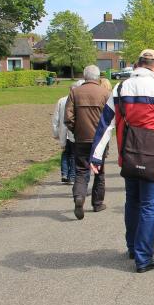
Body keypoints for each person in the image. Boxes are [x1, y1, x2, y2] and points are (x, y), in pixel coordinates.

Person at [89, 49, 154, 273]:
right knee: (149, 206)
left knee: (131, 201)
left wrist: (96, 155)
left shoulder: (120, 88)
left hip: (129, 154)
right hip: (153, 156)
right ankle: (144, 257)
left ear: (138, 64)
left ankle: (133, 247)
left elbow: (105, 124)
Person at [64, 65, 110, 219]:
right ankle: (97, 203)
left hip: (81, 138)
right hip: (100, 140)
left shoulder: (74, 93)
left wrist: (76, 131)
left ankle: (79, 196)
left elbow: (68, 118)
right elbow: (111, 118)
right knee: (99, 171)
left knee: (81, 170)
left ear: (84, 76)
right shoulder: (105, 93)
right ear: (97, 77)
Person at [52, 89, 76, 184]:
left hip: (64, 132)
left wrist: (55, 133)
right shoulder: (77, 101)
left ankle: (64, 174)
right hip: (72, 132)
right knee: (73, 154)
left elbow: (55, 118)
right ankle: (72, 176)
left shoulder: (61, 100)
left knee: (65, 153)